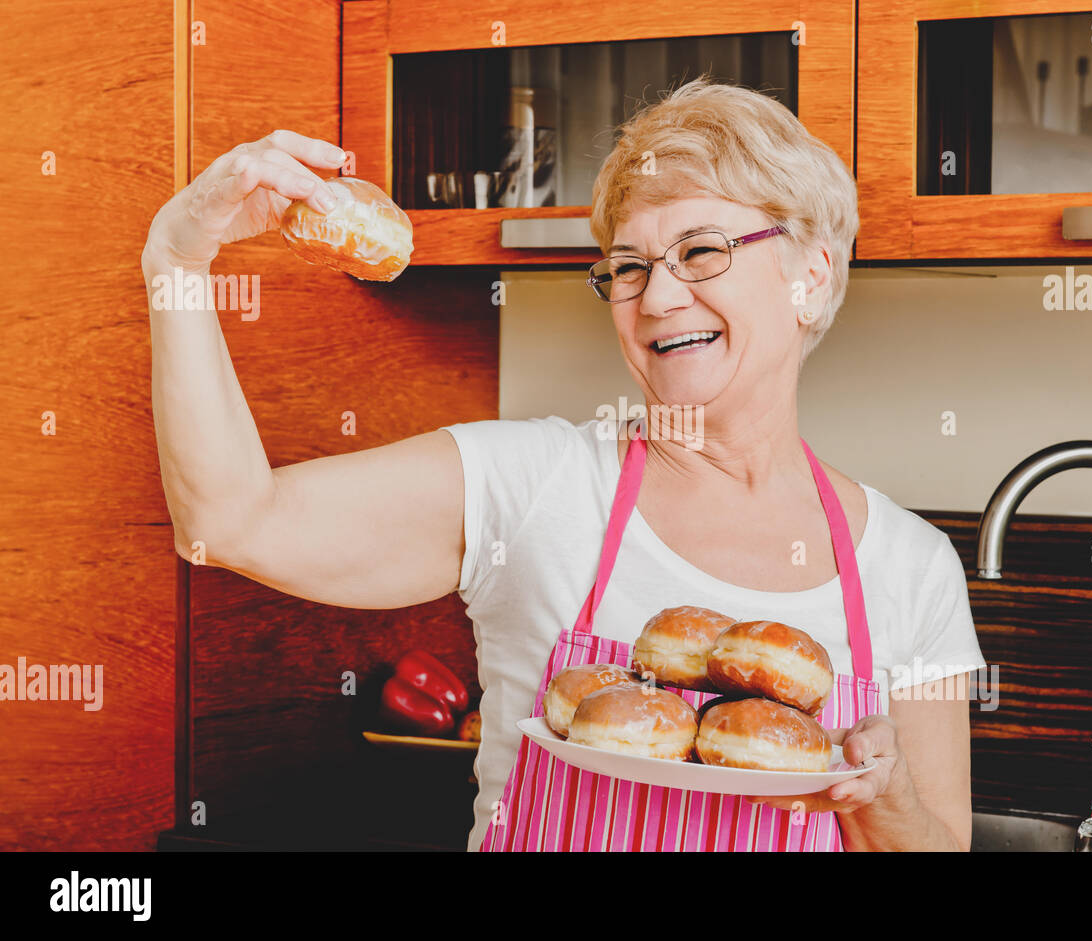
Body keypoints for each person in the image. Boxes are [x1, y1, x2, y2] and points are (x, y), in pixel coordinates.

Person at [142, 75, 985, 852]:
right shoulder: (534, 485)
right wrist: (177, 262)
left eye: (700, 253)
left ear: (811, 272)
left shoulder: (910, 567)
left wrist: (887, 796)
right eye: (628, 267)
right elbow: (228, 522)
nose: (655, 299)